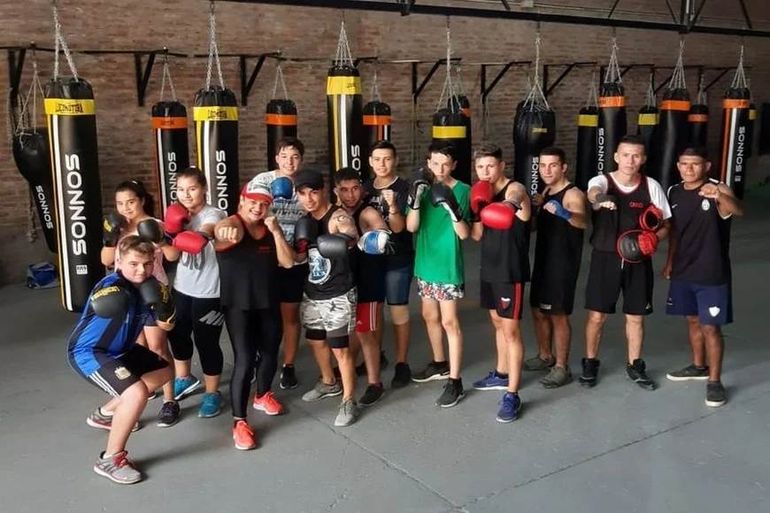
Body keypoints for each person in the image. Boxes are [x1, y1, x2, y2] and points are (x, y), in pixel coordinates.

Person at [67, 236, 174, 484]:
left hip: (122, 350)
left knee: (164, 372)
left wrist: (165, 306)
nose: (141, 270)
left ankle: (104, 414)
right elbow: (103, 297)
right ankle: (110, 459)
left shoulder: (150, 288)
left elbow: (166, 325)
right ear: (119, 261)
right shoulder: (111, 283)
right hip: (90, 352)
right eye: (134, 263)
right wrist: (116, 298)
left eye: (147, 264)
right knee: (135, 394)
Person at [582, 134, 671, 390]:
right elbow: (592, 192)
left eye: (636, 155)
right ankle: (590, 362)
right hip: (605, 258)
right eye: (625, 155)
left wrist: (654, 238)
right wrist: (601, 199)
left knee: (636, 317)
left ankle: (635, 365)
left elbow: (665, 225)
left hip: (637, 262)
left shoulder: (651, 186)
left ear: (642, 159)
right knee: (597, 316)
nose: (630, 160)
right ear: (616, 157)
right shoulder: (603, 181)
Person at [214, 182, 294, 450]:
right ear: (242, 199)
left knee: (271, 351)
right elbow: (223, 229)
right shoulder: (232, 224)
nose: (258, 208)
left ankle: (262, 395)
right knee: (245, 359)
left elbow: (288, 262)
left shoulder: (270, 228)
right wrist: (220, 228)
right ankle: (239, 422)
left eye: (263, 204)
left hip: (268, 301)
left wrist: (276, 231)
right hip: (238, 305)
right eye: (253, 202)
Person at [663, 147, 743, 407]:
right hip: (684, 269)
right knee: (693, 320)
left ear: (706, 166)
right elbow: (675, 232)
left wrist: (719, 194)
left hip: (712, 270)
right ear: (678, 165)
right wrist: (670, 262)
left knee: (711, 327)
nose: (689, 169)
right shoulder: (673, 192)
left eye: (695, 164)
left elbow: (738, 211)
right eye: (684, 164)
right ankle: (699, 366)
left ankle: (715, 381)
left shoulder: (719, 188)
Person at [100, 180, 180, 426]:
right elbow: (105, 260)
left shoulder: (155, 225)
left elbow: (173, 256)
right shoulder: (117, 226)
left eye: (131, 202)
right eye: (120, 203)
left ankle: (170, 401)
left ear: (142, 200)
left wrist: (162, 240)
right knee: (132, 350)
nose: (126, 208)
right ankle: (135, 402)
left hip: (153, 292)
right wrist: (110, 238)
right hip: (126, 295)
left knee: (158, 349)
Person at [468, 144, 531, 422]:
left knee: (511, 332)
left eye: (491, 166)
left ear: (502, 165)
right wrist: (475, 210)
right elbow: (478, 236)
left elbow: (521, 204)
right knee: (496, 324)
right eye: (481, 167)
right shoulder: (481, 192)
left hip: (509, 271)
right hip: (489, 269)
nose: (486, 172)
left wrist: (509, 204)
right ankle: (502, 373)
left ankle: (512, 394)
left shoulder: (515, 188)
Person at [294, 168, 361, 426]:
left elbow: (351, 234)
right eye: (303, 194)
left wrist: (343, 238)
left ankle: (348, 399)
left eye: (314, 192)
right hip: (312, 292)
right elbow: (301, 257)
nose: (309, 198)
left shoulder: (337, 216)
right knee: (315, 340)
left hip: (338, 293)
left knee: (340, 349)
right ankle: (328, 382)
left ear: (323, 191)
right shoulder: (305, 221)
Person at [406, 141, 471, 408]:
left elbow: (465, 234)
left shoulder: (463, 190)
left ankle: (455, 381)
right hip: (424, 263)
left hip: (446, 266)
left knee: (449, 322)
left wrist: (452, 210)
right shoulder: (420, 186)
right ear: (428, 162)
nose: (440, 169)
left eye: (445, 164)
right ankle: (439, 363)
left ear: (453, 165)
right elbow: (411, 227)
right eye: (435, 163)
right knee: (429, 316)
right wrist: (415, 200)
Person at [166, 167, 227, 419]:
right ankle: (185, 377)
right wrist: (167, 236)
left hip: (210, 292)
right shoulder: (177, 215)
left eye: (192, 188)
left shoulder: (214, 213)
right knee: (177, 334)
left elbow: (208, 231)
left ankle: (212, 393)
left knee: (206, 342)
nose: (186, 194)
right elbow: (172, 255)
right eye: (181, 189)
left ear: (203, 188)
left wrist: (195, 234)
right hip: (182, 287)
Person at [248, 137, 307, 390]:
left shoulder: (305, 186)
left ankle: (289, 365)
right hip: (262, 257)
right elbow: (250, 210)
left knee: (290, 316)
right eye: (284, 156)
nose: (289, 161)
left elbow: (313, 214)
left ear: (301, 160)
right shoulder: (262, 181)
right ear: (277, 158)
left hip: (292, 258)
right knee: (261, 314)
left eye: (294, 157)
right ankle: (258, 358)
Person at [524, 147, 587, 388]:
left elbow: (582, 222)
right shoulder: (548, 190)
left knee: (558, 315)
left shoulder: (573, 194)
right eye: (542, 166)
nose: (547, 170)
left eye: (552, 165)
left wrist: (564, 212)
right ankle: (544, 355)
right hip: (543, 258)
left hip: (563, 263)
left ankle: (562, 367)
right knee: (538, 310)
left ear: (564, 167)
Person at [335, 167, 390, 407]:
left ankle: (375, 383)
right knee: (350, 331)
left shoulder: (367, 212)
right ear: (337, 191)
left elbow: (383, 234)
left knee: (365, 333)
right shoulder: (334, 213)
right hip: (345, 282)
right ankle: (351, 370)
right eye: (345, 190)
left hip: (368, 282)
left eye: (355, 188)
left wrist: (364, 235)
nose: (350, 195)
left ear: (362, 189)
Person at [365, 140, 414, 388]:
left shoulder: (404, 187)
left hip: (398, 257)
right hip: (371, 259)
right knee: (374, 310)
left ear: (394, 160)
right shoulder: (363, 189)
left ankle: (402, 363)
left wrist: (393, 205)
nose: (382, 164)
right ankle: (377, 355)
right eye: (377, 159)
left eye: (387, 159)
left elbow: (399, 227)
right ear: (370, 161)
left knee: (397, 309)